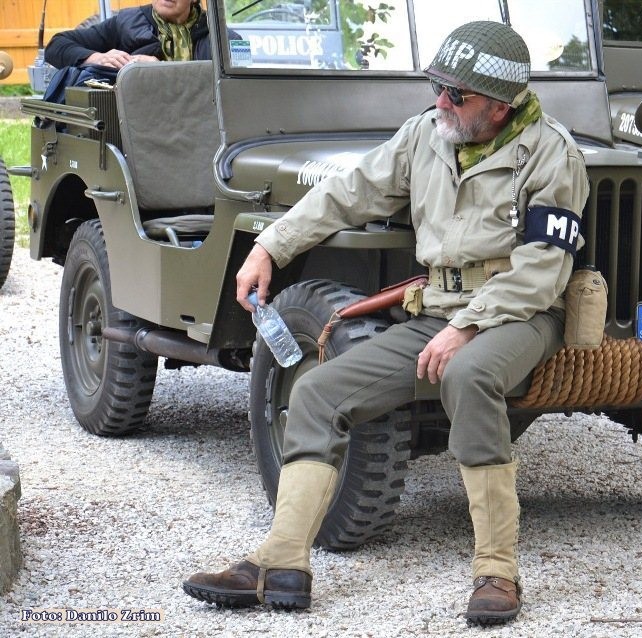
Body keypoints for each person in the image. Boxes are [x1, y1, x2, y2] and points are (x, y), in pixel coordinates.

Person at [181, 20, 588, 626]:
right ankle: (281, 561)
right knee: (317, 392)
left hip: (520, 315)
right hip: (440, 310)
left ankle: (497, 571)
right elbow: (348, 192)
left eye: (456, 94)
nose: (440, 101)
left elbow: (542, 272)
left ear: (500, 107)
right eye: (436, 86)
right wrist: (271, 246)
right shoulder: (426, 135)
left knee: (469, 375)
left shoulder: (552, 153)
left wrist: (467, 328)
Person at [44, 0, 213, 69]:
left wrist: (158, 68)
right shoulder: (126, 23)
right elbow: (56, 45)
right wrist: (98, 58)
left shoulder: (218, 36)